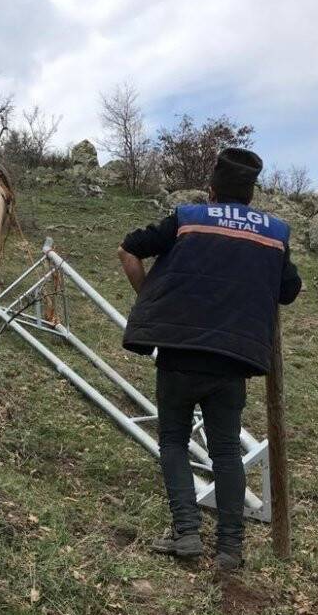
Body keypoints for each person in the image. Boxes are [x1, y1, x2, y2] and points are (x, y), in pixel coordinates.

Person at [117, 148, 302, 571]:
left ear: (213, 189)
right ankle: (230, 550)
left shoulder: (187, 218)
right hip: (233, 360)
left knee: (173, 441)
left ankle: (186, 534)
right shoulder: (274, 233)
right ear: (251, 195)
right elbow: (289, 291)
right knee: (225, 452)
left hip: (179, 355)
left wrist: (150, 301)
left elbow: (129, 249)